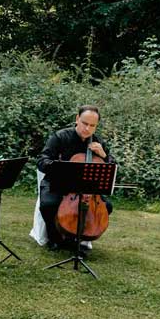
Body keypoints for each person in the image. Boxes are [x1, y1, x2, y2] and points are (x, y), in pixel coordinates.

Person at [36, 105, 115, 253]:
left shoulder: (98, 142)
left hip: (87, 189)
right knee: (48, 204)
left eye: (92, 126)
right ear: (77, 119)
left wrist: (104, 155)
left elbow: (113, 167)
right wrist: (60, 167)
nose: (87, 129)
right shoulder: (60, 137)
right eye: (85, 123)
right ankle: (55, 239)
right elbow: (42, 160)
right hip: (58, 183)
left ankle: (80, 237)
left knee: (107, 206)